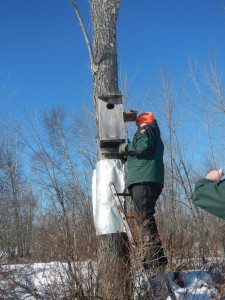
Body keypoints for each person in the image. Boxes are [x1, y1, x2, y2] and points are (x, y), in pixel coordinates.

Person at [119, 112, 167, 269]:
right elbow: (141, 151)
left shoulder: (145, 131)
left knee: (144, 218)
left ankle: (155, 258)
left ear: (144, 122)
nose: (136, 125)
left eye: (138, 122)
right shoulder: (154, 133)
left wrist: (126, 146)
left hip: (143, 179)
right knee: (145, 217)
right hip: (149, 178)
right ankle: (155, 257)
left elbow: (141, 148)